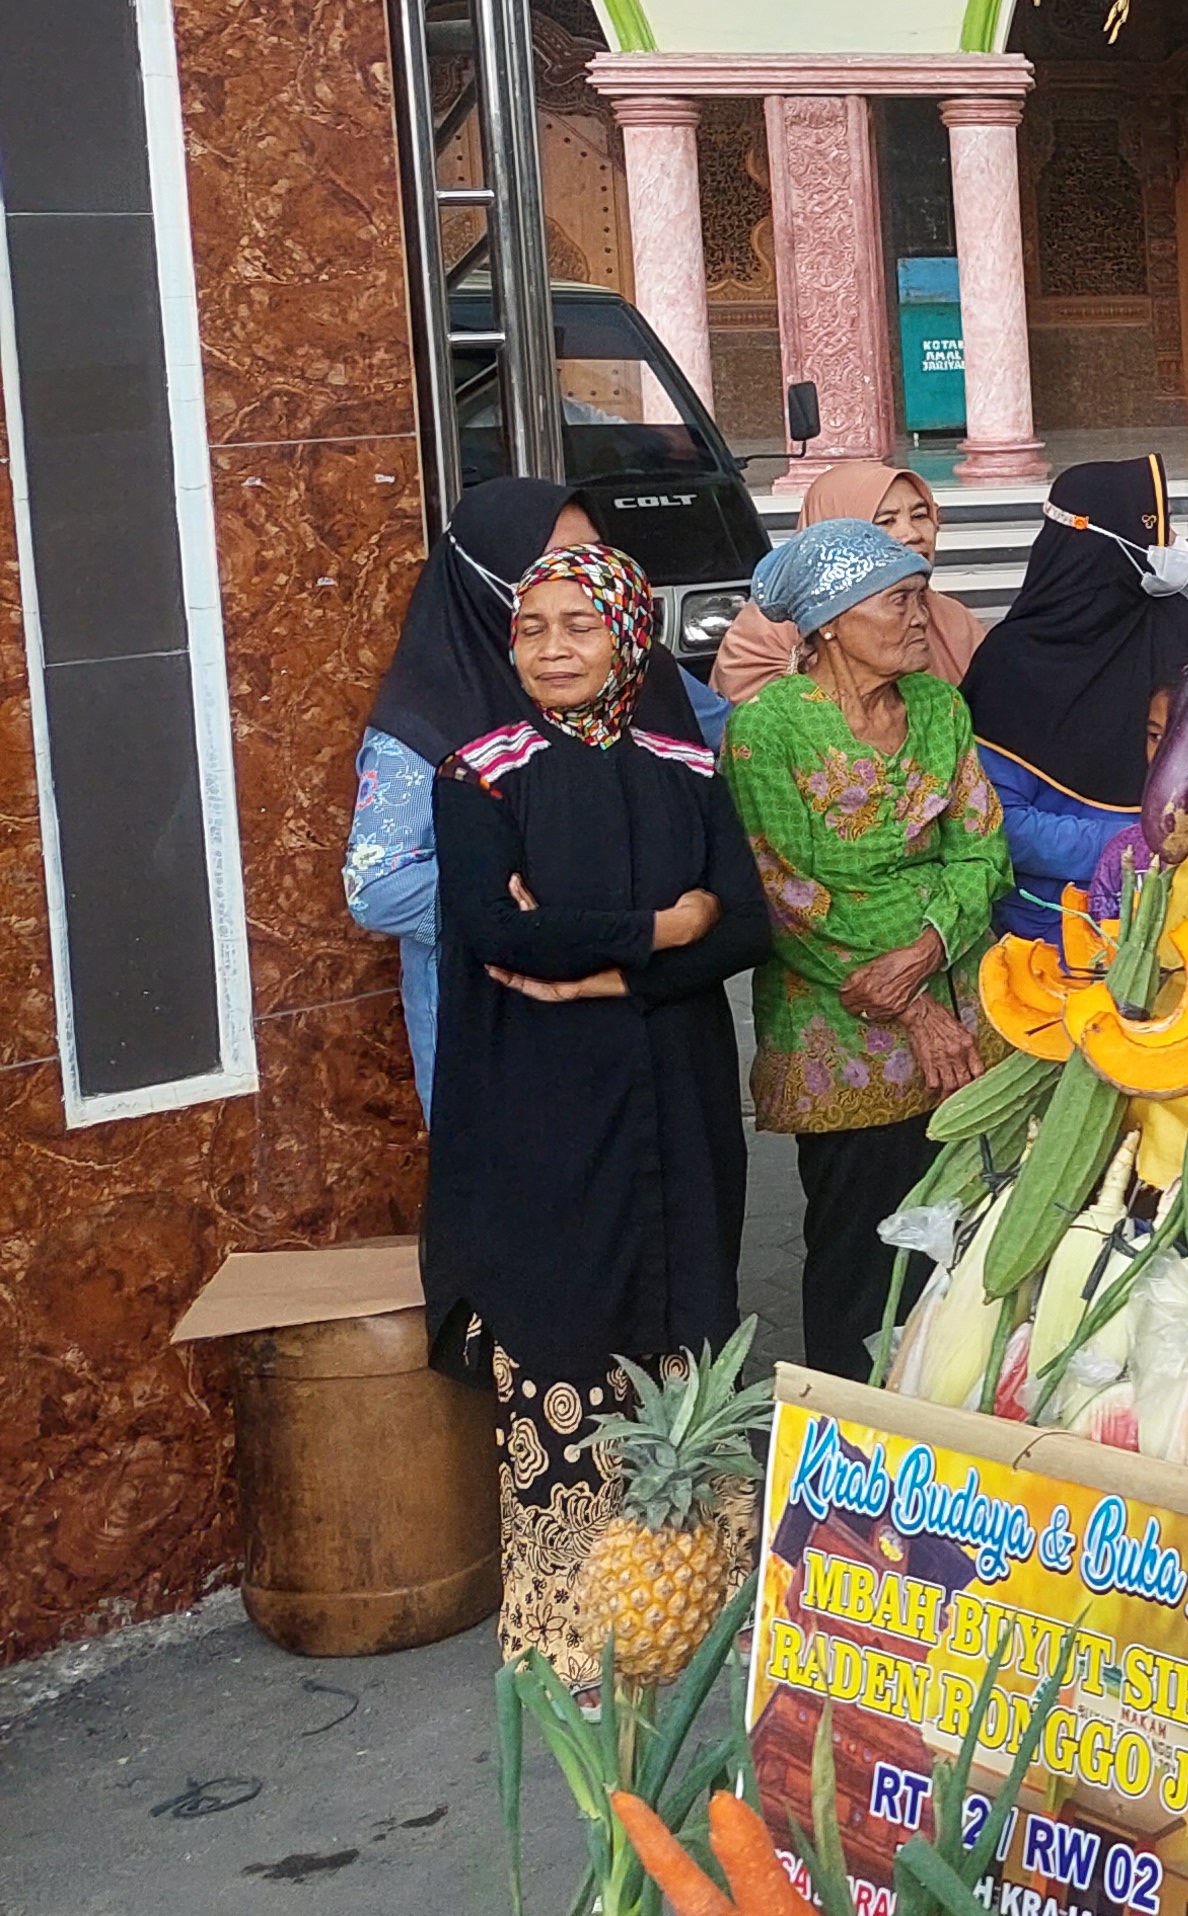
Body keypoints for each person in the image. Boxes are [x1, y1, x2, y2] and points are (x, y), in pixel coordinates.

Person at [422, 540, 771, 1682]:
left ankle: (691, 1612)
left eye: (579, 626)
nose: (553, 648)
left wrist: (615, 967)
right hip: (542, 1098)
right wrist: (660, 929)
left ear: (629, 634)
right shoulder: (480, 772)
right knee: (565, 1317)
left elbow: (746, 930)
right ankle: (572, 1634)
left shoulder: (688, 764)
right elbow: (497, 931)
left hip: (673, 1087)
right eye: (533, 628)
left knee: (682, 1303)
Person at [721, 518, 1012, 1370]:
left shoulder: (937, 706)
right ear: (832, 621)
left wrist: (927, 948)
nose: (921, 617)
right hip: (842, 1040)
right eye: (898, 600)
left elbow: (983, 848)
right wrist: (911, 1007)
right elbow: (788, 891)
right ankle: (841, 1455)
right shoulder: (766, 728)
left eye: (920, 596)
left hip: (963, 1022)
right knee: (858, 1256)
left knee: (957, 1255)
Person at [352, 478, 708, 1116]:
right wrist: (543, 891)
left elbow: (734, 756)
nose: (577, 582)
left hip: (646, 1011)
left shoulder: (634, 668)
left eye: (593, 561)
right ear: (489, 582)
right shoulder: (428, 718)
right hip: (501, 1033)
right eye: (547, 569)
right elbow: (375, 889)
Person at [960, 458, 1188, 945]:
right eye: (1157, 528)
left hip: (1179, 914)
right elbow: (999, 824)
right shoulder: (1012, 661)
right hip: (1055, 925)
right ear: (1107, 541)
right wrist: (1130, 844)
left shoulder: (1186, 631)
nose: (1172, 542)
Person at [711, 461, 984, 703]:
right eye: (886, 521)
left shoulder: (954, 622)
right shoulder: (764, 638)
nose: (911, 534)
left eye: (920, 516)